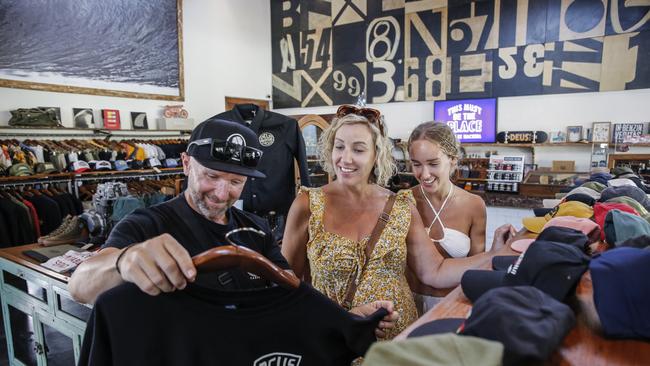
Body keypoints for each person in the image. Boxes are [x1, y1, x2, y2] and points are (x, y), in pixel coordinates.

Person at [69, 118, 395, 336]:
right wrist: (124, 261)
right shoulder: (147, 224)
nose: (222, 194)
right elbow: (81, 285)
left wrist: (347, 318)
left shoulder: (255, 233)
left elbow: (294, 298)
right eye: (211, 176)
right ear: (186, 163)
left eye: (236, 182)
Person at [281, 106, 515, 339]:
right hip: (334, 340)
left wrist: (495, 254)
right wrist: (333, 320)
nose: (346, 158)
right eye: (339, 146)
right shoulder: (308, 204)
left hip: (398, 340)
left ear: (376, 155)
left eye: (359, 149)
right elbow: (287, 284)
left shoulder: (399, 206)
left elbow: (434, 270)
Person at [406, 121, 516, 311]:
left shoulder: (474, 205)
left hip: (453, 302)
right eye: (416, 164)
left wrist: (497, 252)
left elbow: (477, 265)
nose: (424, 174)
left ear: (453, 160)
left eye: (433, 164)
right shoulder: (403, 202)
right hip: (407, 303)